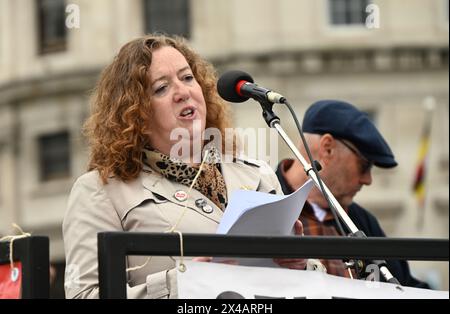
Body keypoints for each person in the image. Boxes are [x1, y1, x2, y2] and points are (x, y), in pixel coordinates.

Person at [63, 34, 307, 299]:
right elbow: (83, 295)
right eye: (161, 88)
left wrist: (301, 264)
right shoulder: (100, 191)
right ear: (137, 114)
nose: (183, 92)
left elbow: (304, 283)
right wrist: (181, 285)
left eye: (188, 78)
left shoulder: (257, 173)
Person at [276, 100, 430, 289]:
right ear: (327, 148)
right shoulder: (265, 203)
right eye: (364, 165)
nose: (368, 180)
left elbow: (407, 288)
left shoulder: (363, 223)